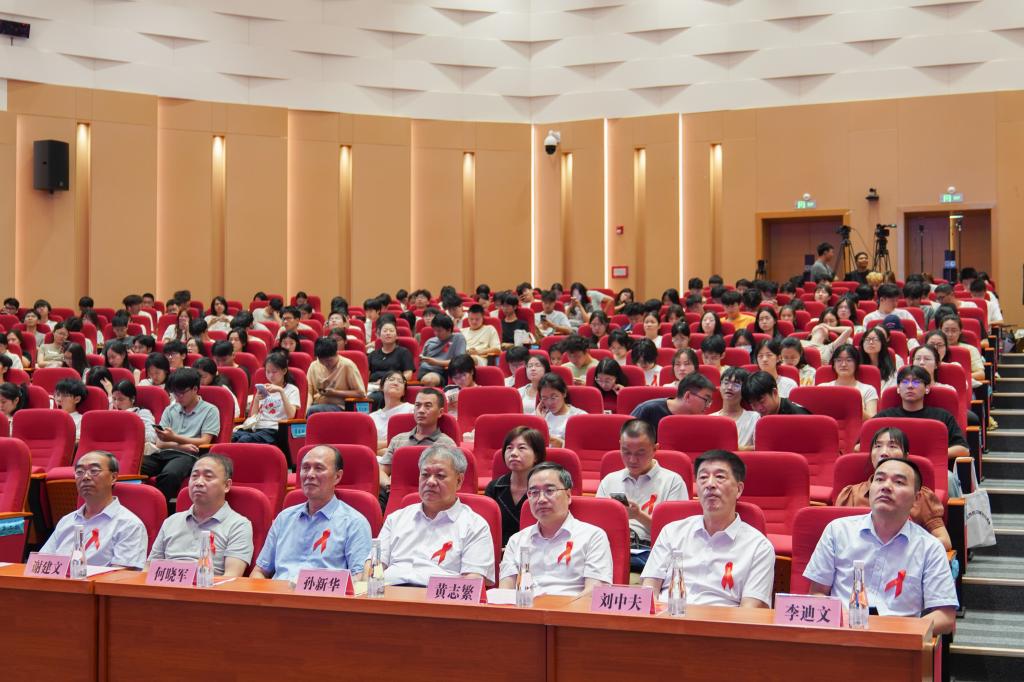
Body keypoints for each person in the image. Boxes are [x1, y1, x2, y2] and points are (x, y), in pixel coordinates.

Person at [804, 457, 957, 634]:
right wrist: (841, 621)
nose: (886, 486)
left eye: (899, 482)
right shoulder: (837, 531)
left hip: (898, 642)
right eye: (879, 479)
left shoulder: (930, 548)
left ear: (916, 499)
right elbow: (817, 593)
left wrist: (899, 633)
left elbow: (945, 616)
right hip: (840, 635)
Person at [641, 450, 775, 607]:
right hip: (668, 616)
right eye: (703, 477)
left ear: (739, 489)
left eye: (720, 477)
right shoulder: (671, 532)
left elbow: (750, 611)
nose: (710, 484)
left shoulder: (759, 547)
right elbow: (649, 590)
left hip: (722, 621)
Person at [378, 444, 494, 586]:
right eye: (425, 475)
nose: (430, 481)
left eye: (440, 476)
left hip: (437, 597)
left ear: (459, 481)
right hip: (389, 593)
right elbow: (374, 565)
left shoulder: (475, 526)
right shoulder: (396, 519)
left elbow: (472, 581)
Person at [252, 445, 372, 581]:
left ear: (337, 476)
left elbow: (360, 578)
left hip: (322, 592)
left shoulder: (354, 523)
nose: (309, 475)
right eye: (305, 468)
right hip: (279, 591)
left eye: (319, 468)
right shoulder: (284, 518)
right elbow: (260, 571)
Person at [499, 462, 613, 595]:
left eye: (550, 491)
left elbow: (594, 593)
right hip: (525, 607)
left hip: (572, 607)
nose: (541, 499)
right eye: (534, 492)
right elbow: (505, 592)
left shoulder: (593, 536)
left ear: (568, 495)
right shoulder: (516, 540)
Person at [837, 428, 951, 550]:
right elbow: (839, 537)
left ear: (905, 456)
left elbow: (944, 541)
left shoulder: (919, 496)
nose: (884, 452)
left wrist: (902, 551)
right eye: (878, 446)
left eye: (892, 446)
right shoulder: (851, 494)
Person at [596, 419, 687, 571]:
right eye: (626, 452)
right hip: (613, 551)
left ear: (655, 449)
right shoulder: (609, 480)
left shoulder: (672, 481)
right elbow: (597, 527)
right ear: (619, 445)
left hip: (653, 552)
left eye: (640, 453)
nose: (632, 460)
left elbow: (676, 535)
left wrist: (638, 516)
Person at [148, 454, 254, 577]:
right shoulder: (171, 521)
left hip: (209, 587)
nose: (198, 482)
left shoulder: (239, 525)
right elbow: (149, 569)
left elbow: (232, 577)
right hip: (164, 587)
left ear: (226, 485)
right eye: (194, 476)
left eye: (208, 477)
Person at [40, 450, 147, 569]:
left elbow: (122, 575)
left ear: (113, 477)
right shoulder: (66, 521)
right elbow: (41, 563)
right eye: (79, 472)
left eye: (94, 471)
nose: (85, 477)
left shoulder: (129, 525)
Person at [141, 368, 221, 506]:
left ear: (195, 389)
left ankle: (157, 510)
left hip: (189, 457)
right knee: (135, 466)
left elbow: (204, 441)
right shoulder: (170, 410)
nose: (178, 397)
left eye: (182, 393)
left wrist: (174, 438)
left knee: (170, 475)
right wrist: (181, 445)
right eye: (175, 393)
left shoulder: (210, 410)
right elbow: (160, 444)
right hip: (164, 453)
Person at [874, 366, 969, 459]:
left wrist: (933, 456)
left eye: (916, 382)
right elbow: (865, 445)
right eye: (905, 382)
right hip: (891, 466)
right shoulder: (884, 417)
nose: (910, 386)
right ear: (898, 388)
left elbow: (963, 449)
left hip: (934, 465)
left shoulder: (943, 416)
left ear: (927, 388)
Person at [379, 388, 455, 487]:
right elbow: (382, 471)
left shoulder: (447, 444)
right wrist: (388, 485)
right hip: (396, 491)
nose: (421, 410)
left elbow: (450, 479)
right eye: (418, 405)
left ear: (440, 412)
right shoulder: (398, 439)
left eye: (428, 406)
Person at [485, 426, 546, 545]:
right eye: (509, 448)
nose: (513, 453)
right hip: (498, 550)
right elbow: (487, 527)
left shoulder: (546, 489)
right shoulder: (494, 487)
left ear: (536, 456)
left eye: (521, 448)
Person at [233, 352, 299, 444]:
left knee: (245, 439)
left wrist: (281, 391)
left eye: (274, 372)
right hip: (256, 427)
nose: (271, 375)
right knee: (232, 437)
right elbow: (253, 416)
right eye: (268, 372)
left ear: (284, 371)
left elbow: (291, 415)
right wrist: (256, 400)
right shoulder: (264, 388)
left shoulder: (292, 390)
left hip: (274, 430)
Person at [630, 372, 715, 438]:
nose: (708, 406)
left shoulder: (699, 420)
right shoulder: (647, 410)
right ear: (687, 396)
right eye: (706, 400)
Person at [306, 337, 366, 415]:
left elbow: (361, 393)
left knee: (314, 410)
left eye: (329, 360)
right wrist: (306, 408)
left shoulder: (347, 365)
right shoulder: (314, 366)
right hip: (316, 404)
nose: (326, 364)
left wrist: (335, 393)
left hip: (339, 406)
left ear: (337, 353)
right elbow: (309, 392)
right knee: (309, 410)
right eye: (322, 361)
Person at [821, 344, 878, 420]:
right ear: (833, 365)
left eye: (849, 360)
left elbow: (872, 420)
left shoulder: (868, 389)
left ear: (856, 364)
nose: (843, 364)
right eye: (839, 360)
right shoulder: (822, 388)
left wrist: (851, 405)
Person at [713, 366, 759, 450]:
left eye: (736, 384)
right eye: (726, 383)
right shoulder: (710, 419)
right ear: (720, 387)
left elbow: (760, 448)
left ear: (745, 390)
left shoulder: (754, 418)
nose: (729, 387)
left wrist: (736, 449)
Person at [536, 373, 587, 447]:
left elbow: (581, 447)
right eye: (544, 398)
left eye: (553, 397)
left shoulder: (580, 416)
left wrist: (559, 442)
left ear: (564, 393)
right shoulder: (539, 414)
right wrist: (539, 421)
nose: (549, 402)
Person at [369, 371, 414, 452]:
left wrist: (381, 449)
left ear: (404, 392)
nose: (395, 383)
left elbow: (412, 439)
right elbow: (367, 445)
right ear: (382, 387)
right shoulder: (372, 417)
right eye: (391, 379)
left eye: (400, 381)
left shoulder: (412, 410)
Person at [418, 314, 467, 387]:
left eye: (439, 331)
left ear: (449, 330)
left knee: (429, 380)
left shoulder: (458, 338)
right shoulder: (430, 341)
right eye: (434, 330)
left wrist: (436, 362)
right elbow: (421, 360)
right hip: (426, 370)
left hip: (443, 371)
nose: (436, 333)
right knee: (428, 379)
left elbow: (459, 361)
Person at [743, 371, 811, 416]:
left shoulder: (798, 416)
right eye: (753, 404)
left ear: (774, 392)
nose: (759, 408)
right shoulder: (758, 417)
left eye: (762, 401)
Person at [860, 326, 901, 392]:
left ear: (882, 343)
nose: (871, 342)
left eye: (875, 339)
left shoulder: (891, 369)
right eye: (867, 339)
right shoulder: (857, 365)